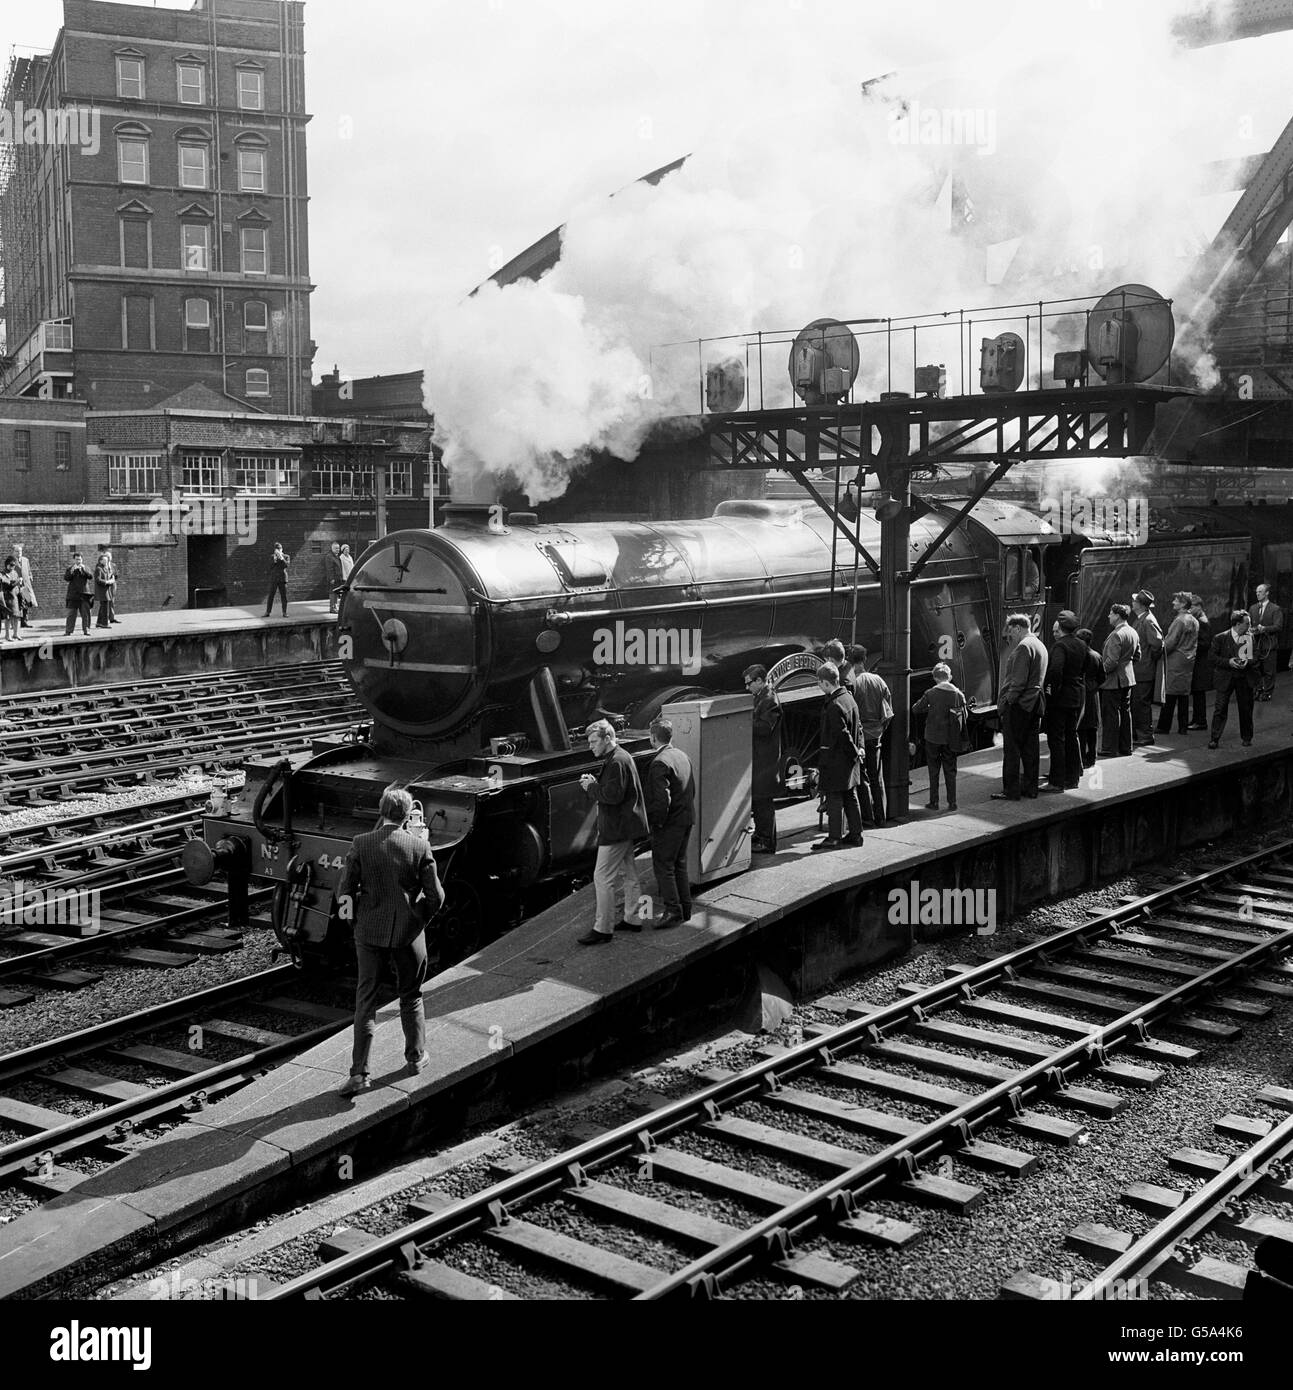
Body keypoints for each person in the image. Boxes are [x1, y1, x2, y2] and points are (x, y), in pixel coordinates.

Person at [335, 785, 444, 1098]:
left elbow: (344, 893)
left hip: (368, 931)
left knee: (365, 1001)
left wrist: (353, 922)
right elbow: (436, 896)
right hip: (407, 932)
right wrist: (419, 917)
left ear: (381, 811)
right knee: (411, 995)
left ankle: (359, 1075)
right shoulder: (418, 847)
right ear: (408, 814)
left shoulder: (361, 843)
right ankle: (415, 1058)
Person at [577, 719, 650, 944]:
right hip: (627, 826)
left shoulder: (616, 761)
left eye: (594, 741)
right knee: (629, 874)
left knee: (602, 877)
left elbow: (613, 796)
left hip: (616, 829)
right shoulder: (621, 756)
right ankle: (633, 919)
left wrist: (591, 787)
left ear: (607, 738)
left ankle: (603, 929)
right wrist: (597, 784)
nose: (591, 746)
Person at [644, 718, 695, 928]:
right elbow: (690, 788)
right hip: (686, 818)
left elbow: (661, 800)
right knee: (679, 864)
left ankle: (673, 910)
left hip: (670, 824)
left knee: (664, 866)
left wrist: (656, 823)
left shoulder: (659, 762)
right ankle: (686, 908)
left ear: (654, 738)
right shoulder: (682, 756)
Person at [993, 614, 1048, 800]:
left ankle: (1011, 790)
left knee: (1012, 750)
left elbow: (1018, 681)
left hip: (1019, 705)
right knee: (1030, 748)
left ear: (1017, 628)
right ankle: (1031, 788)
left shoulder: (1024, 647)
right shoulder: (1040, 645)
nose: (1011, 638)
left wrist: (1007, 701)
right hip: (1034, 704)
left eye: (1011, 633)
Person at [812, 661, 864, 850]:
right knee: (850, 796)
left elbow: (843, 734)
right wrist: (860, 750)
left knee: (834, 798)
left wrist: (853, 752)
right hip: (849, 760)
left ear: (826, 683)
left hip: (836, 760)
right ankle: (856, 835)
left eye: (819, 683)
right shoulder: (849, 698)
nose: (818, 686)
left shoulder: (834, 705)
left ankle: (834, 837)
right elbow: (858, 727)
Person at [912, 662, 967, 811]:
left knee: (933, 770)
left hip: (932, 737)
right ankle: (952, 802)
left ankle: (934, 802)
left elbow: (916, 709)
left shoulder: (930, 693)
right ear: (949, 677)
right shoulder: (958, 694)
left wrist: (930, 708)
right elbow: (964, 714)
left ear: (935, 678)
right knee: (950, 770)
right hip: (950, 738)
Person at [1044, 610, 1086, 791]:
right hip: (1076, 696)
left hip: (1060, 699)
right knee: (1072, 736)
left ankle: (1057, 780)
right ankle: (1073, 777)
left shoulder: (1060, 647)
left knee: (1056, 739)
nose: (1054, 634)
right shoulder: (1081, 645)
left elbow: (1055, 671)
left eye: (1055, 631)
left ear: (1060, 628)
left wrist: (1051, 691)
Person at [850, 645, 892, 824]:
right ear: (865, 659)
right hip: (876, 734)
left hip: (860, 736)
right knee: (877, 777)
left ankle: (867, 817)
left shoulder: (853, 684)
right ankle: (881, 816)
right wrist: (881, 730)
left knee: (863, 779)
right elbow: (888, 710)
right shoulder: (878, 681)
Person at [744, 664, 781, 854]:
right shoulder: (761, 697)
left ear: (759, 680)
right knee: (759, 800)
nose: (747, 687)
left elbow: (766, 728)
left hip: (765, 760)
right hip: (760, 759)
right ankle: (761, 835)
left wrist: (744, 723)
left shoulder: (769, 699)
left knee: (763, 801)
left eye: (749, 683)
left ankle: (767, 841)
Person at [1209, 610, 1257, 750]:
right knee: (1220, 708)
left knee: (1246, 709)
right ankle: (1214, 739)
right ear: (1237, 624)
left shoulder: (1250, 637)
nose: (1250, 626)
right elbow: (1212, 658)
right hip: (1225, 678)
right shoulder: (1220, 638)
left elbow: (1257, 655)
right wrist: (1228, 662)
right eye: (1247, 623)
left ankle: (1247, 738)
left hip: (1244, 678)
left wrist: (1248, 662)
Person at [1099, 603, 1139, 757]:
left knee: (1111, 715)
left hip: (1113, 681)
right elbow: (1137, 656)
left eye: (1110, 613)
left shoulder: (1117, 634)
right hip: (1128, 679)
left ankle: (1109, 748)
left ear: (1117, 615)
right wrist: (1126, 668)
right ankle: (1126, 747)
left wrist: (1100, 673)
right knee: (1125, 712)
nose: (1108, 616)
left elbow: (1111, 661)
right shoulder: (1133, 632)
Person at [1157, 592, 1199, 735]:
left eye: (1176, 600)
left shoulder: (1179, 621)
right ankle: (1183, 727)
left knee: (1169, 694)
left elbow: (1170, 642)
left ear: (1182, 604)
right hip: (1188, 660)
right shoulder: (1194, 620)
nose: (1173, 602)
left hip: (1176, 660)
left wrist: (1159, 653)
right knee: (1183, 695)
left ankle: (1164, 726)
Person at [1130, 591, 1163, 746]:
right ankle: (1140, 734)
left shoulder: (1148, 621)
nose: (1132, 603)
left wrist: (1149, 659)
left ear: (1140, 605)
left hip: (1143, 670)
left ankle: (1145, 735)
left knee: (1141, 704)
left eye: (1134, 601)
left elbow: (1157, 644)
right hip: (1140, 669)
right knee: (1138, 703)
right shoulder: (1142, 619)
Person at [1249, 582, 1283, 702]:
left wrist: (1265, 628)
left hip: (1269, 645)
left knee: (1269, 670)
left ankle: (1267, 692)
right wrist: (1251, 629)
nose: (1258, 594)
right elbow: (1249, 624)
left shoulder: (1275, 609)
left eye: (1260, 592)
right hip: (1256, 644)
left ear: (1267, 593)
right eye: (1257, 592)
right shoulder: (1253, 608)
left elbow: (1278, 626)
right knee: (1255, 668)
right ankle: (1257, 689)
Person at [1075, 627, 1103, 770]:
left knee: (1082, 728)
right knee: (1093, 726)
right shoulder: (1097, 655)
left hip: (1082, 693)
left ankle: (1082, 757)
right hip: (1093, 693)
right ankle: (1092, 756)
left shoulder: (1080, 656)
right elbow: (1102, 677)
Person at [1188, 596, 1212, 730]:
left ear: (1199, 606)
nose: (1190, 610)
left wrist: (1191, 645)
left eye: (1192, 607)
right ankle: (1197, 719)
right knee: (1197, 693)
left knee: (1198, 692)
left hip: (1200, 663)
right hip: (1201, 663)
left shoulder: (1202, 622)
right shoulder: (1202, 620)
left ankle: (1200, 721)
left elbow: (1205, 643)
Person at [63, 552, 94, 636]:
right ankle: (68, 631)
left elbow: (90, 576)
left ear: (82, 559)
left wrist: (83, 569)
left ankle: (86, 630)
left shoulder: (86, 568)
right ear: (74, 560)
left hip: (84, 594)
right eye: (76, 559)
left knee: (86, 614)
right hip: (73, 595)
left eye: (79, 559)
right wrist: (72, 571)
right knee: (71, 614)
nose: (78, 561)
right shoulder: (70, 568)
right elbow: (66, 578)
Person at [94, 545, 117, 628]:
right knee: (105, 608)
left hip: (106, 590)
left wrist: (111, 580)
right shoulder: (99, 569)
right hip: (102, 591)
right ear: (100, 561)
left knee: (102, 607)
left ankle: (99, 623)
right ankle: (104, 624)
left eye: (107, 560)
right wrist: (108, 581)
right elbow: (98, 580)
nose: (106, 561)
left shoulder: (105, 568)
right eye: (104, 560)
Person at [264, 542, 290, 617]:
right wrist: (274, 560)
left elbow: (286, 565)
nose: (278, 550)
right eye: (277, 549)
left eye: (279, 549)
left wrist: (281, 558)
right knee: (271, 596)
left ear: (282, 549)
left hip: (282, 579)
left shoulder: (286, 556)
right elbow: (270, 567)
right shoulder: (272, 557)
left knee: (284, 596)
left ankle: (284, 612)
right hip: (274, 579)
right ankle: (268, 612)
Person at [13, 543, 35, 628]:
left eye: (20, 551)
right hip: (16, 585)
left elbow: (29, 570)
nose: (19, 553)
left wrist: (30, 576)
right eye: (17, 551)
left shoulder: (25, 560)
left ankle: (24, 622)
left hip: (25, 585)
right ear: (14, 552)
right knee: (16, 604)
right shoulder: (11, 560)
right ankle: (14, 623)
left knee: (26, 603)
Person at [0, 557, 21, 642]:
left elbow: (17, 582)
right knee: (8, 617)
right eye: (11, 565)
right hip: (7, 598)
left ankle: (16, 634)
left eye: (14, 565)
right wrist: (15, 582)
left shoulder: (15, 572)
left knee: (16, 616)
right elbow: (6, 584)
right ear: (7, 564)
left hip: (15, 597)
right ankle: (7, 635)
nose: (13, 567)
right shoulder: (2, 574)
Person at [325, 541, 344, 614]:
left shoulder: (337, 557)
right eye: (336, 548)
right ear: (332, 548)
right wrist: (331, 578)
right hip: (333, 579)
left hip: (338, 578)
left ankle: (335, 607)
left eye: (338, 548)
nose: (338, 550)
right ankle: (332, 608)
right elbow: (329, 568)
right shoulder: (329, 557)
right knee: (333, 593)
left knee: (336, 593)